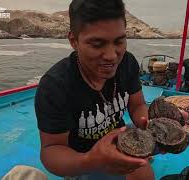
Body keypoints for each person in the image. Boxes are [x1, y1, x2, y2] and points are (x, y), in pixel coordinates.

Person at [34, 0, 156, 179]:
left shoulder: (127, 63)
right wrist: (90, 160)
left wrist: (151, 127)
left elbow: (137, 105)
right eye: (97, 44)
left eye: (119, 42)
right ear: (74, 41)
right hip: (80, 158)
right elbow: (51, 150)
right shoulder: (54, 86)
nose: (111, 56)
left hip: (122, 142)